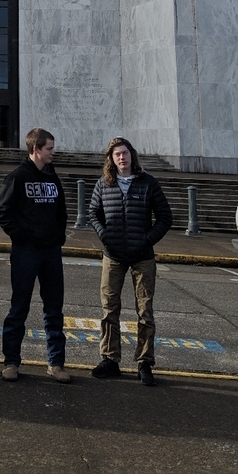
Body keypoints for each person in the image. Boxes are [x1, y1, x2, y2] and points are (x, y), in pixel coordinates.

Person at [88, 137, 173, 387]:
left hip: (142, 256)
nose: (121, 158)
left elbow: (165, 217)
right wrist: (104, 235)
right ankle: (110, 359)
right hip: (113, 255)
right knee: (109, 308)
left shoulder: (148, 183)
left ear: (132, 155)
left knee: (145, 311)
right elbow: (93, 212)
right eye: (117, 154)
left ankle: (144, 362)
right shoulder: (104, 183)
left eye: (125, 153)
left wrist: (146, 240)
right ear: (111, 159)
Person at [0, 127, 70, 383]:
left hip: (51, 252)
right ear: (36, 149)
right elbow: (2, 212)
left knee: (54, 309)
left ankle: (56, 363)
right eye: (49, 148)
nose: (53, 152)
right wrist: (22, 237)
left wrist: (58, 237)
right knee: (19, 307)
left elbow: (61, 211)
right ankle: (11, 362)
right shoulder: (17, 177)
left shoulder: (52, 177)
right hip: (26, 252)